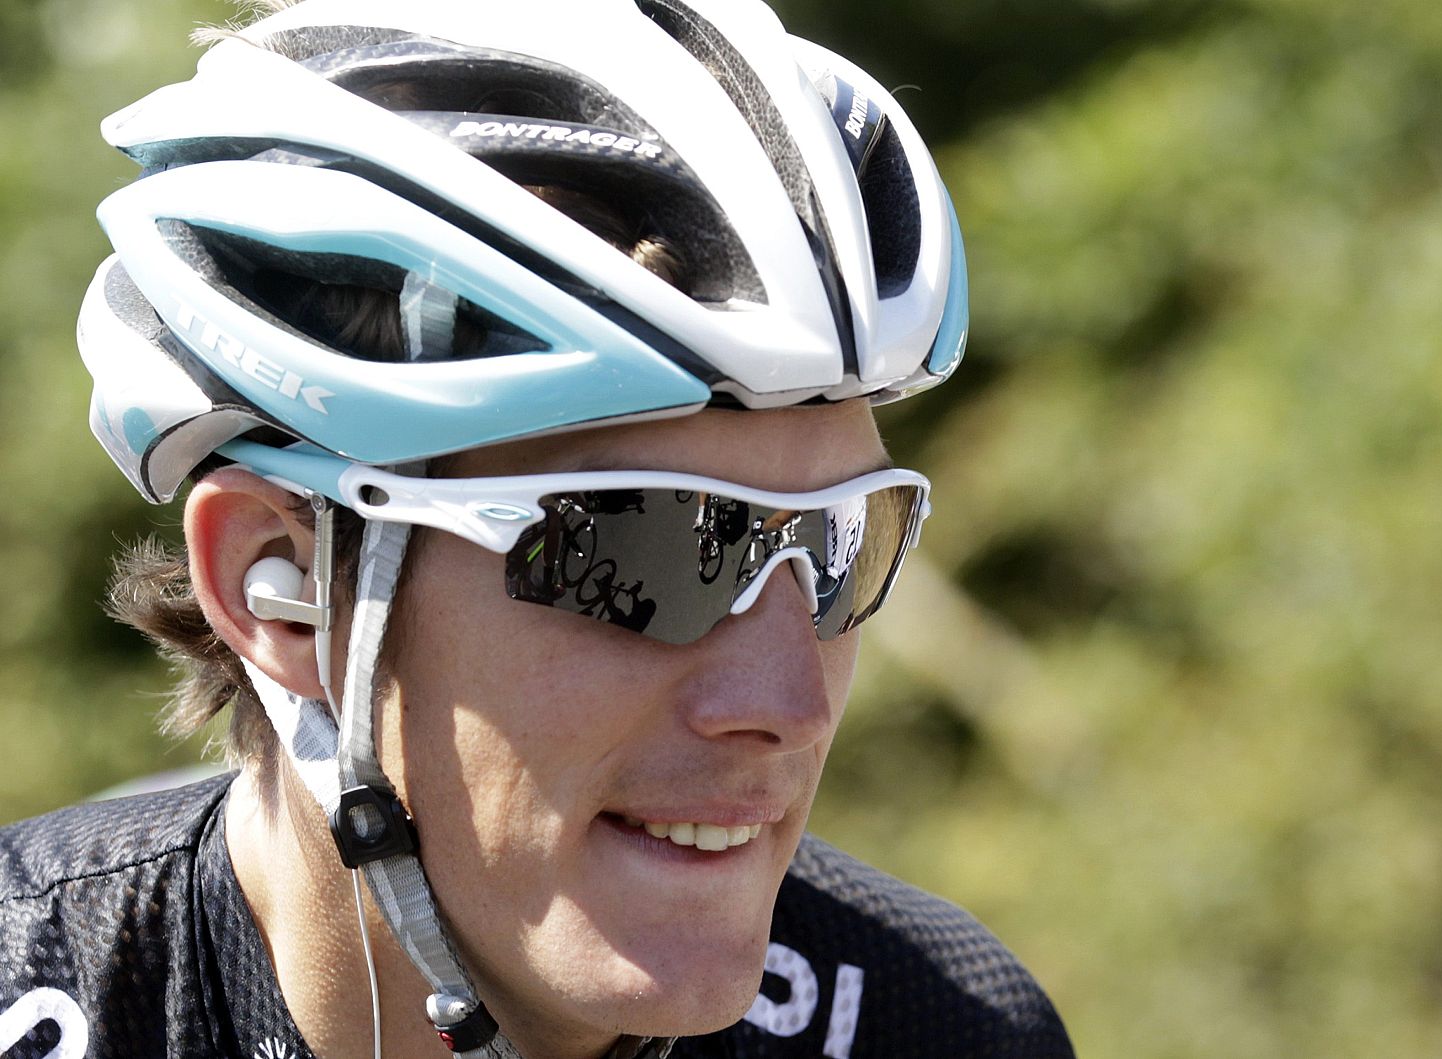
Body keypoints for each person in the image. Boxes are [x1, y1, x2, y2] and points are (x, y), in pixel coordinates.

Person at [0, 0, 1074, 1055]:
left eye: (844, 546)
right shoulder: (36, 972)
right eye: (645, 553)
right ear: (279, 584)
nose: (786, 705)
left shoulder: (938, 1025)